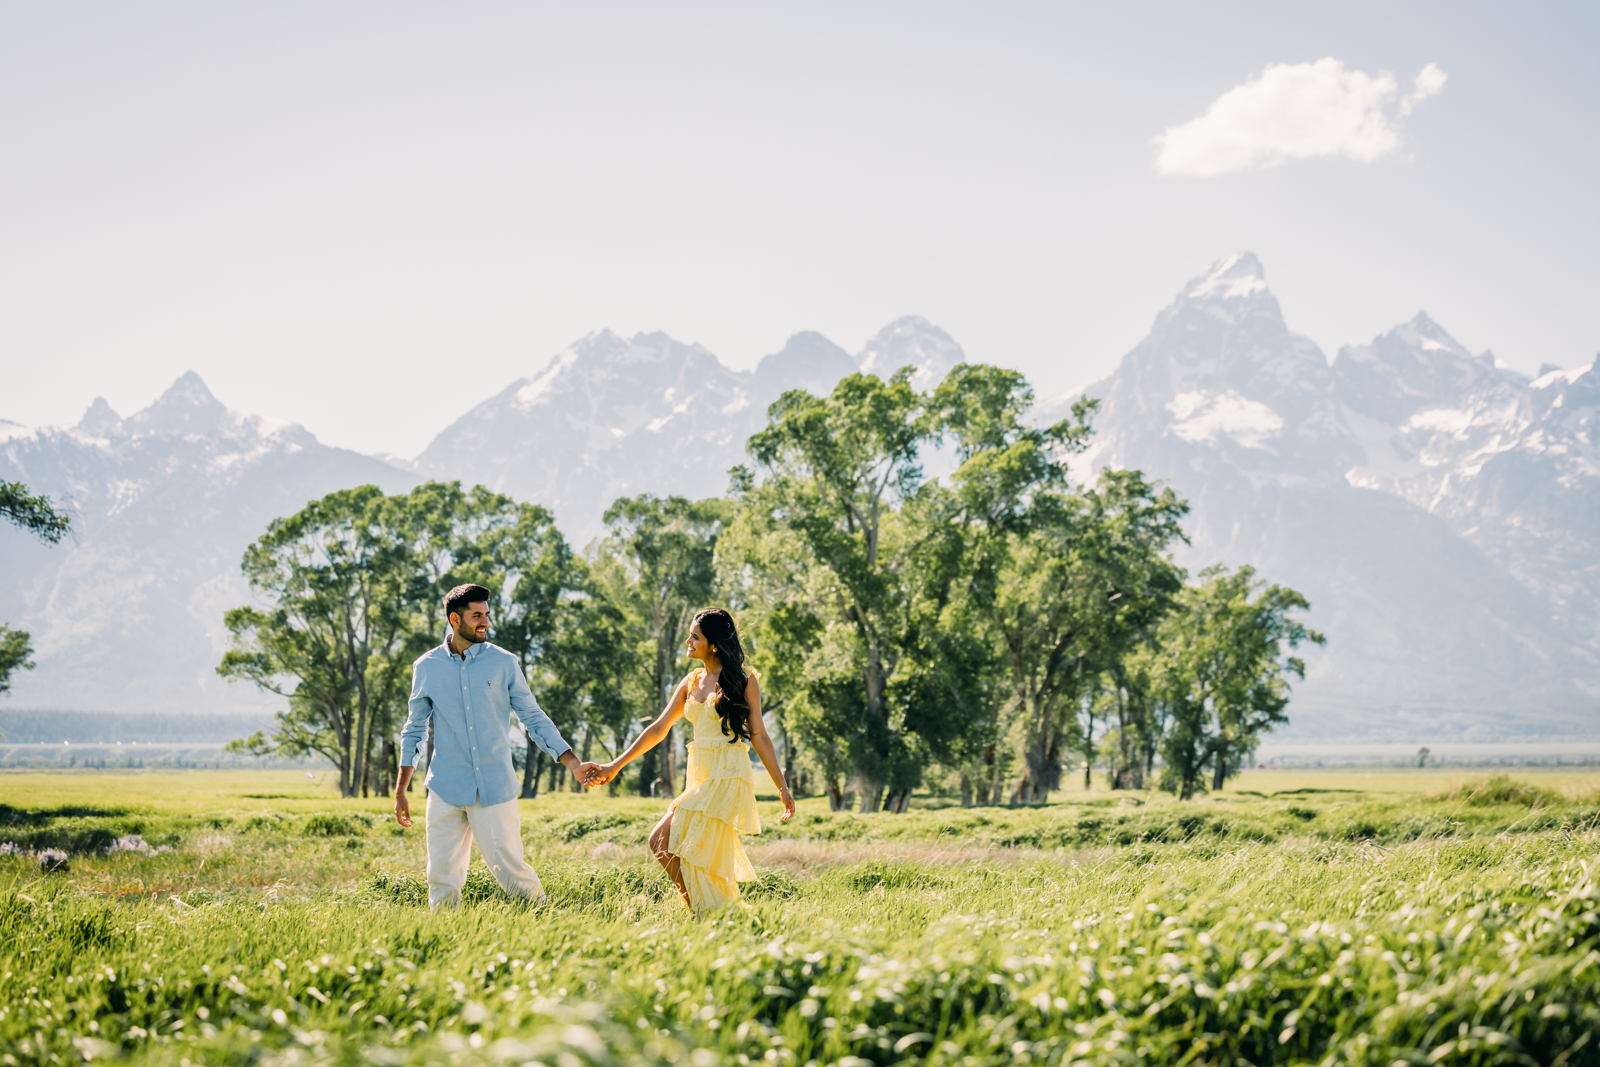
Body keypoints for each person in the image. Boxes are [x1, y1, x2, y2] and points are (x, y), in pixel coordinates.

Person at [394, 583, 600, 909]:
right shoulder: (427, 667)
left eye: (487, 615)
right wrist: (401, 789)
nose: (484, 622)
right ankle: (445, 942)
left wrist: (572, 763)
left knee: (510, 870)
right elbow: (414, 729)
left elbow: (533, 717)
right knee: (441, 876)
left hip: (493, 786)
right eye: (476, 615)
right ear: (454, 619)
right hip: (446, 786)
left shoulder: (503, 663)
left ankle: (544, 924)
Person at [584, 607, 795, 915]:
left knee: (661, 838)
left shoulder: (744, 680)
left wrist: (782, 786)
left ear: (713, 644)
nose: (688, 641)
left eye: (694, 636)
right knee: (688, 850)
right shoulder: (691, 681)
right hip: (701, 775)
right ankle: (711, 911)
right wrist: (615, 765)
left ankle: (701, 911)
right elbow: (658, 728)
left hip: (728, 774)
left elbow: (760, 736)